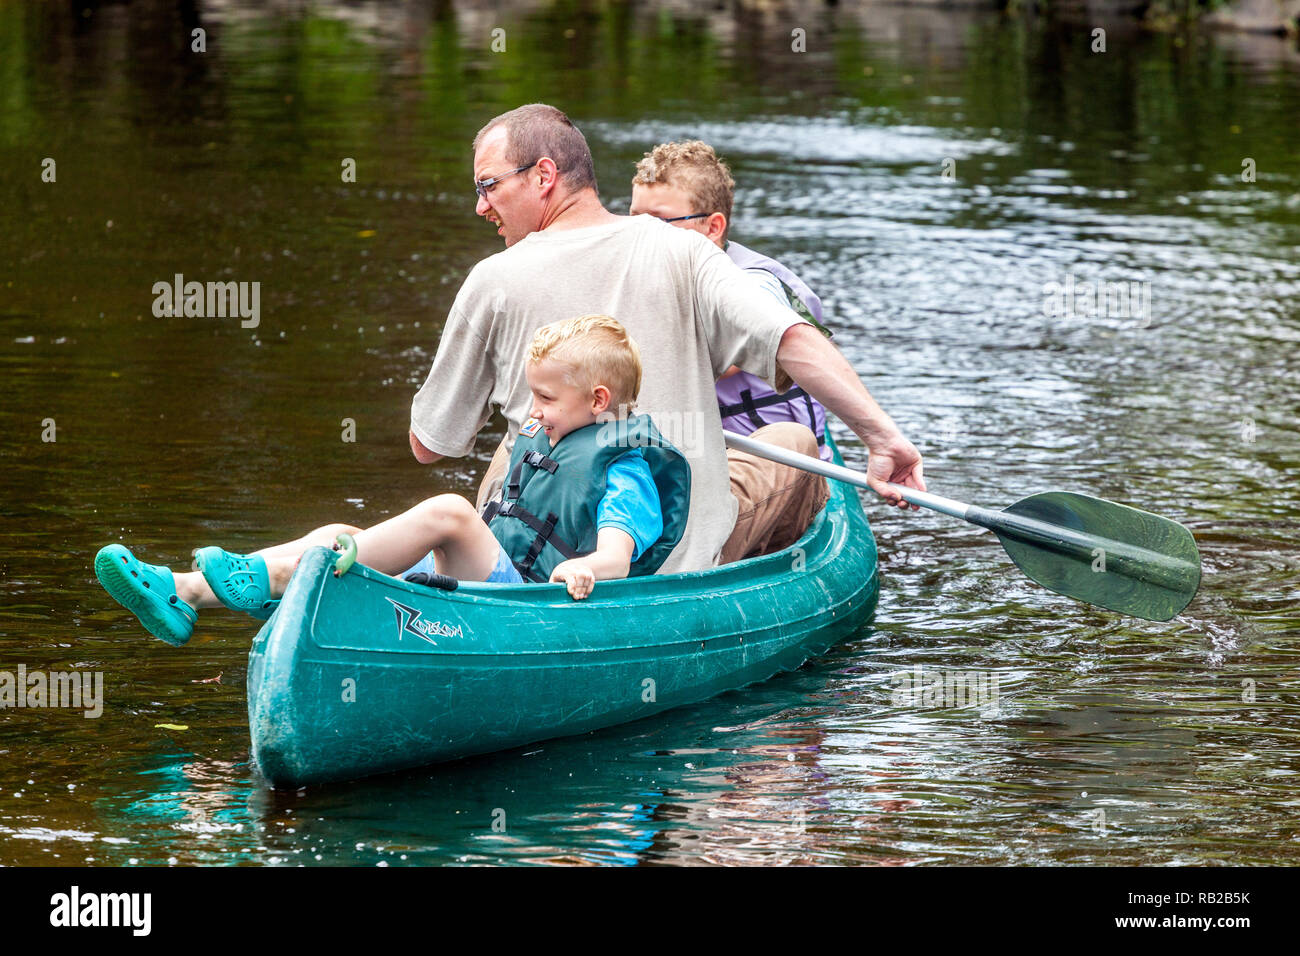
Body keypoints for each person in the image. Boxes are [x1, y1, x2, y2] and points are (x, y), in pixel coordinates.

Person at [409, 102, 925, 574]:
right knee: (795, 442)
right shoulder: (688, 251)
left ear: (543, 175)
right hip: (680, 561)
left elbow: (430, 445)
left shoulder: (489, 279)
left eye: (487, 185)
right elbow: (790, 337)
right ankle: (769, 576)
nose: (481, 206)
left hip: (541, 555)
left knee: (515, 444)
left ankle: (497, 572)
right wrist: (883, 439)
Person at [95, 316, 690, 646]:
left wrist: (586, 567)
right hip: (495, 590)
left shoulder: (626, 467)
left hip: (538, 608)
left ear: (600, 399)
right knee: (338, 530)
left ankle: (298, 587)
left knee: (451, 512)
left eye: (545, 397)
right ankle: (183, 591)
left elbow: (616, 555)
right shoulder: (551, 436)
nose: (532, 409)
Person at [629, 139, 835, 463]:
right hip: (708, 449)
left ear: (713, 227)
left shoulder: (755, 283)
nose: (639, 235)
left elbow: (721, 361)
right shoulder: (652, 276)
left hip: (773, 458)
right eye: (634, 220)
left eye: (657, 222)